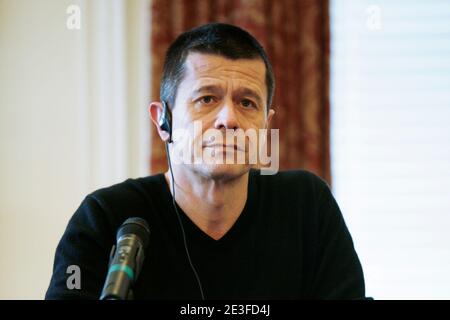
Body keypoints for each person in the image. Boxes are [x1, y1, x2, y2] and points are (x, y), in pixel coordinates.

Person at [46, 23, 366, 300]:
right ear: (163, 121)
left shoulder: (307, 207)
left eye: (246, 102)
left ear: (265, 126)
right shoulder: (104, 218)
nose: (229, 119)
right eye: (207, 99)